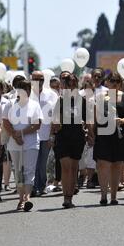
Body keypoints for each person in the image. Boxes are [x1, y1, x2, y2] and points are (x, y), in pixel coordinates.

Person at [93, 72, 124, 205]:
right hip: (104, 135)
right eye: (112, 81)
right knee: (102, 164)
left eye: (117, 81)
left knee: (117, 165)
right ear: (107, 83)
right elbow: (94, 118)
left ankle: (114, 197)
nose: (115, 83)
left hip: (120, 135)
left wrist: (122, 120)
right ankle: (104, 195)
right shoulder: (100, 98)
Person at [3, 80, 43, 211]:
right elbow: (6, 122)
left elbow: (37, 124)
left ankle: (27, 198)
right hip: (14, 144)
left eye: (28, 89)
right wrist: (15, 136)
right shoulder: (10, 104)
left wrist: (21, 133)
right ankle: (20, 198)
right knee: (19, 171)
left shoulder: (34, 105)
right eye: (23, 89)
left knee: (29, 171)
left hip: (31, 142)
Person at [51, 73, 88, 209]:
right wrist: (55, 127)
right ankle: (66, 197)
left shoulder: (82, 100)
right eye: (68, 83)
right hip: (63, 137)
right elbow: (54, 121)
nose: (71, 85)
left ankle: (70, 197)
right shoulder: (60, 100)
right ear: (64, 85)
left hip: (77, 137)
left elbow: (88, 120)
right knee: (66, 168)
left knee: (73, 169)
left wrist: (90, 133)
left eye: (73, 83)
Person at [31, 71, 59, 197]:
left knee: (42, 163)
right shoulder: (27, 94)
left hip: (46, 134)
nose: (39, 81)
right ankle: (32, 186)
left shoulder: (52, 95)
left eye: (41, 79)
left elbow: (56, 115)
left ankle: (40, 186)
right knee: (32, 163)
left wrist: (52, 135)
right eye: (36, 79)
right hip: (30, 134)